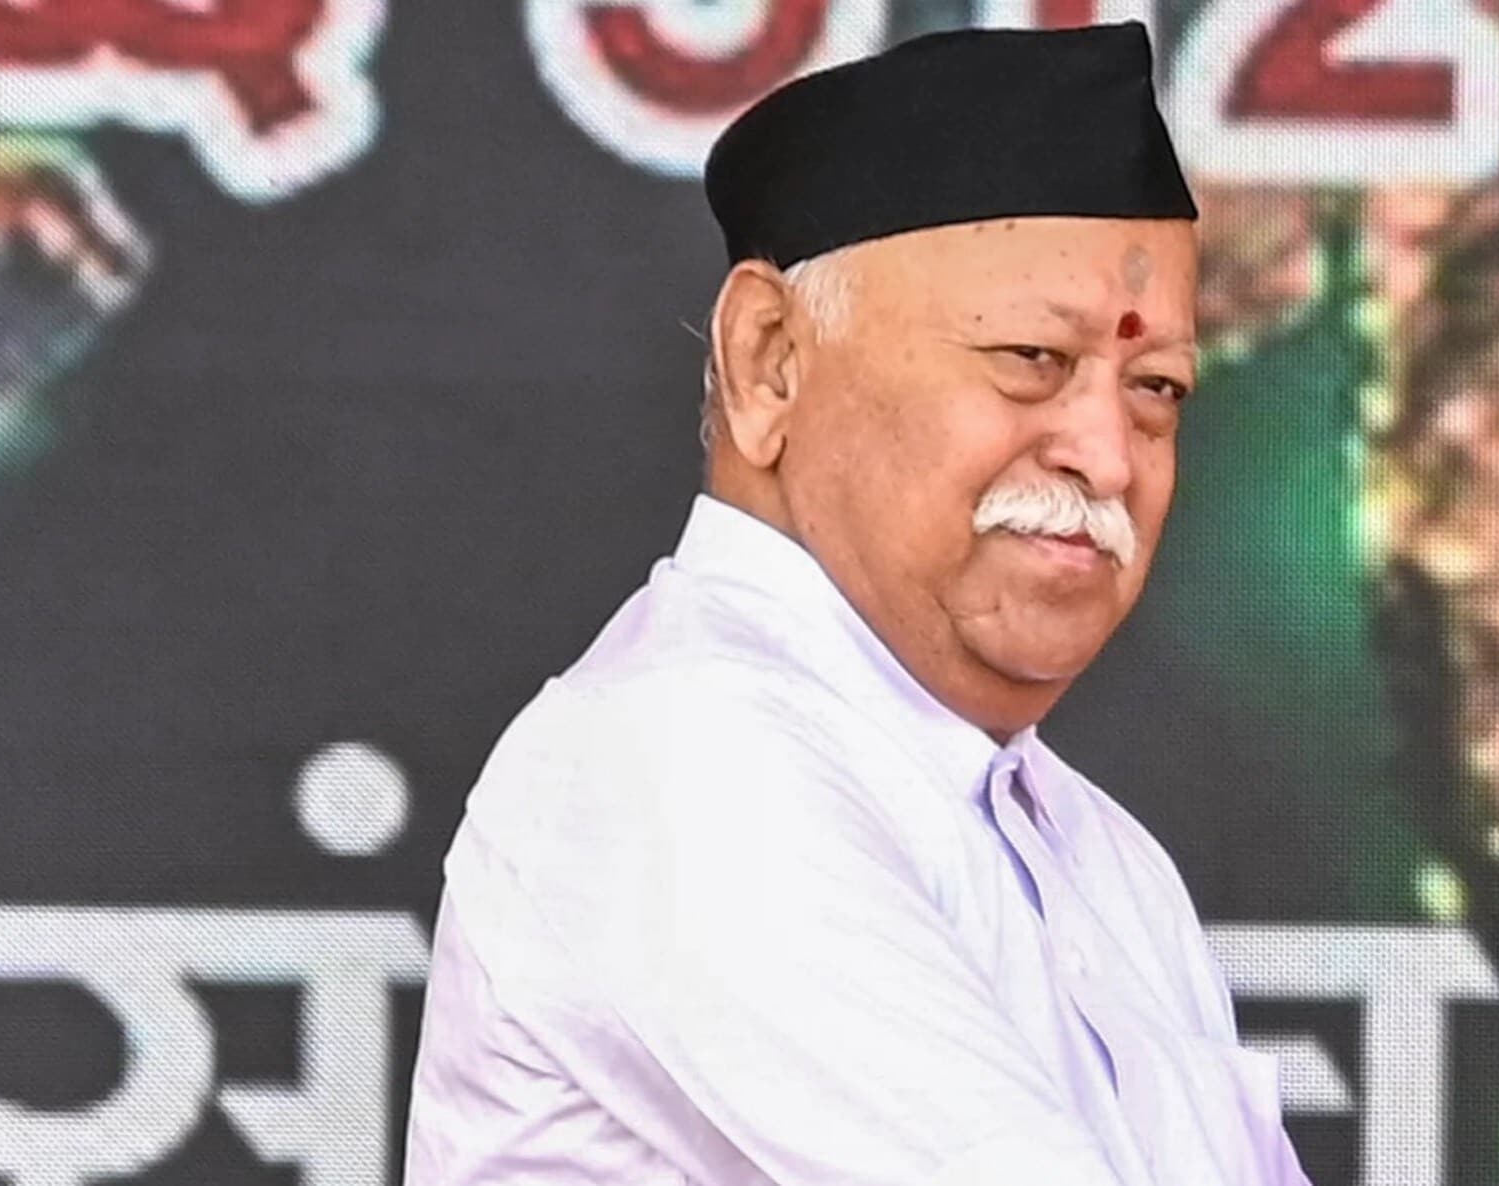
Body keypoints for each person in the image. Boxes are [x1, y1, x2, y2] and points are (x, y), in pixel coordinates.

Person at [404, 22, 1310, 1186]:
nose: (1106, 454)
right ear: (770, 361)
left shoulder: (1107, 860)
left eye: (1157, 387)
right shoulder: (680, 755)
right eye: (1031, 358)